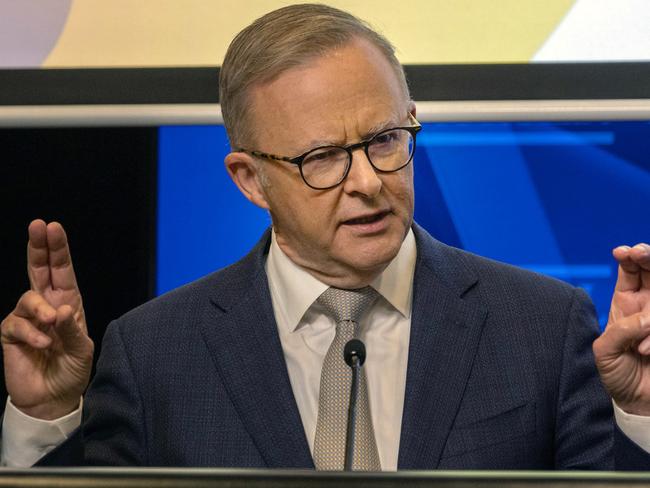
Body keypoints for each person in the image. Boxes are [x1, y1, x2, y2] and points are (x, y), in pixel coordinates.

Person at [2, 3, 650, 470]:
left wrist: (641, 417)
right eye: (323, 159)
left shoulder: (544, 325)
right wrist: (47, 418)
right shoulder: (153, 354)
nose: (368, 182)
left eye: (386, 141)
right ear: (250, 180)